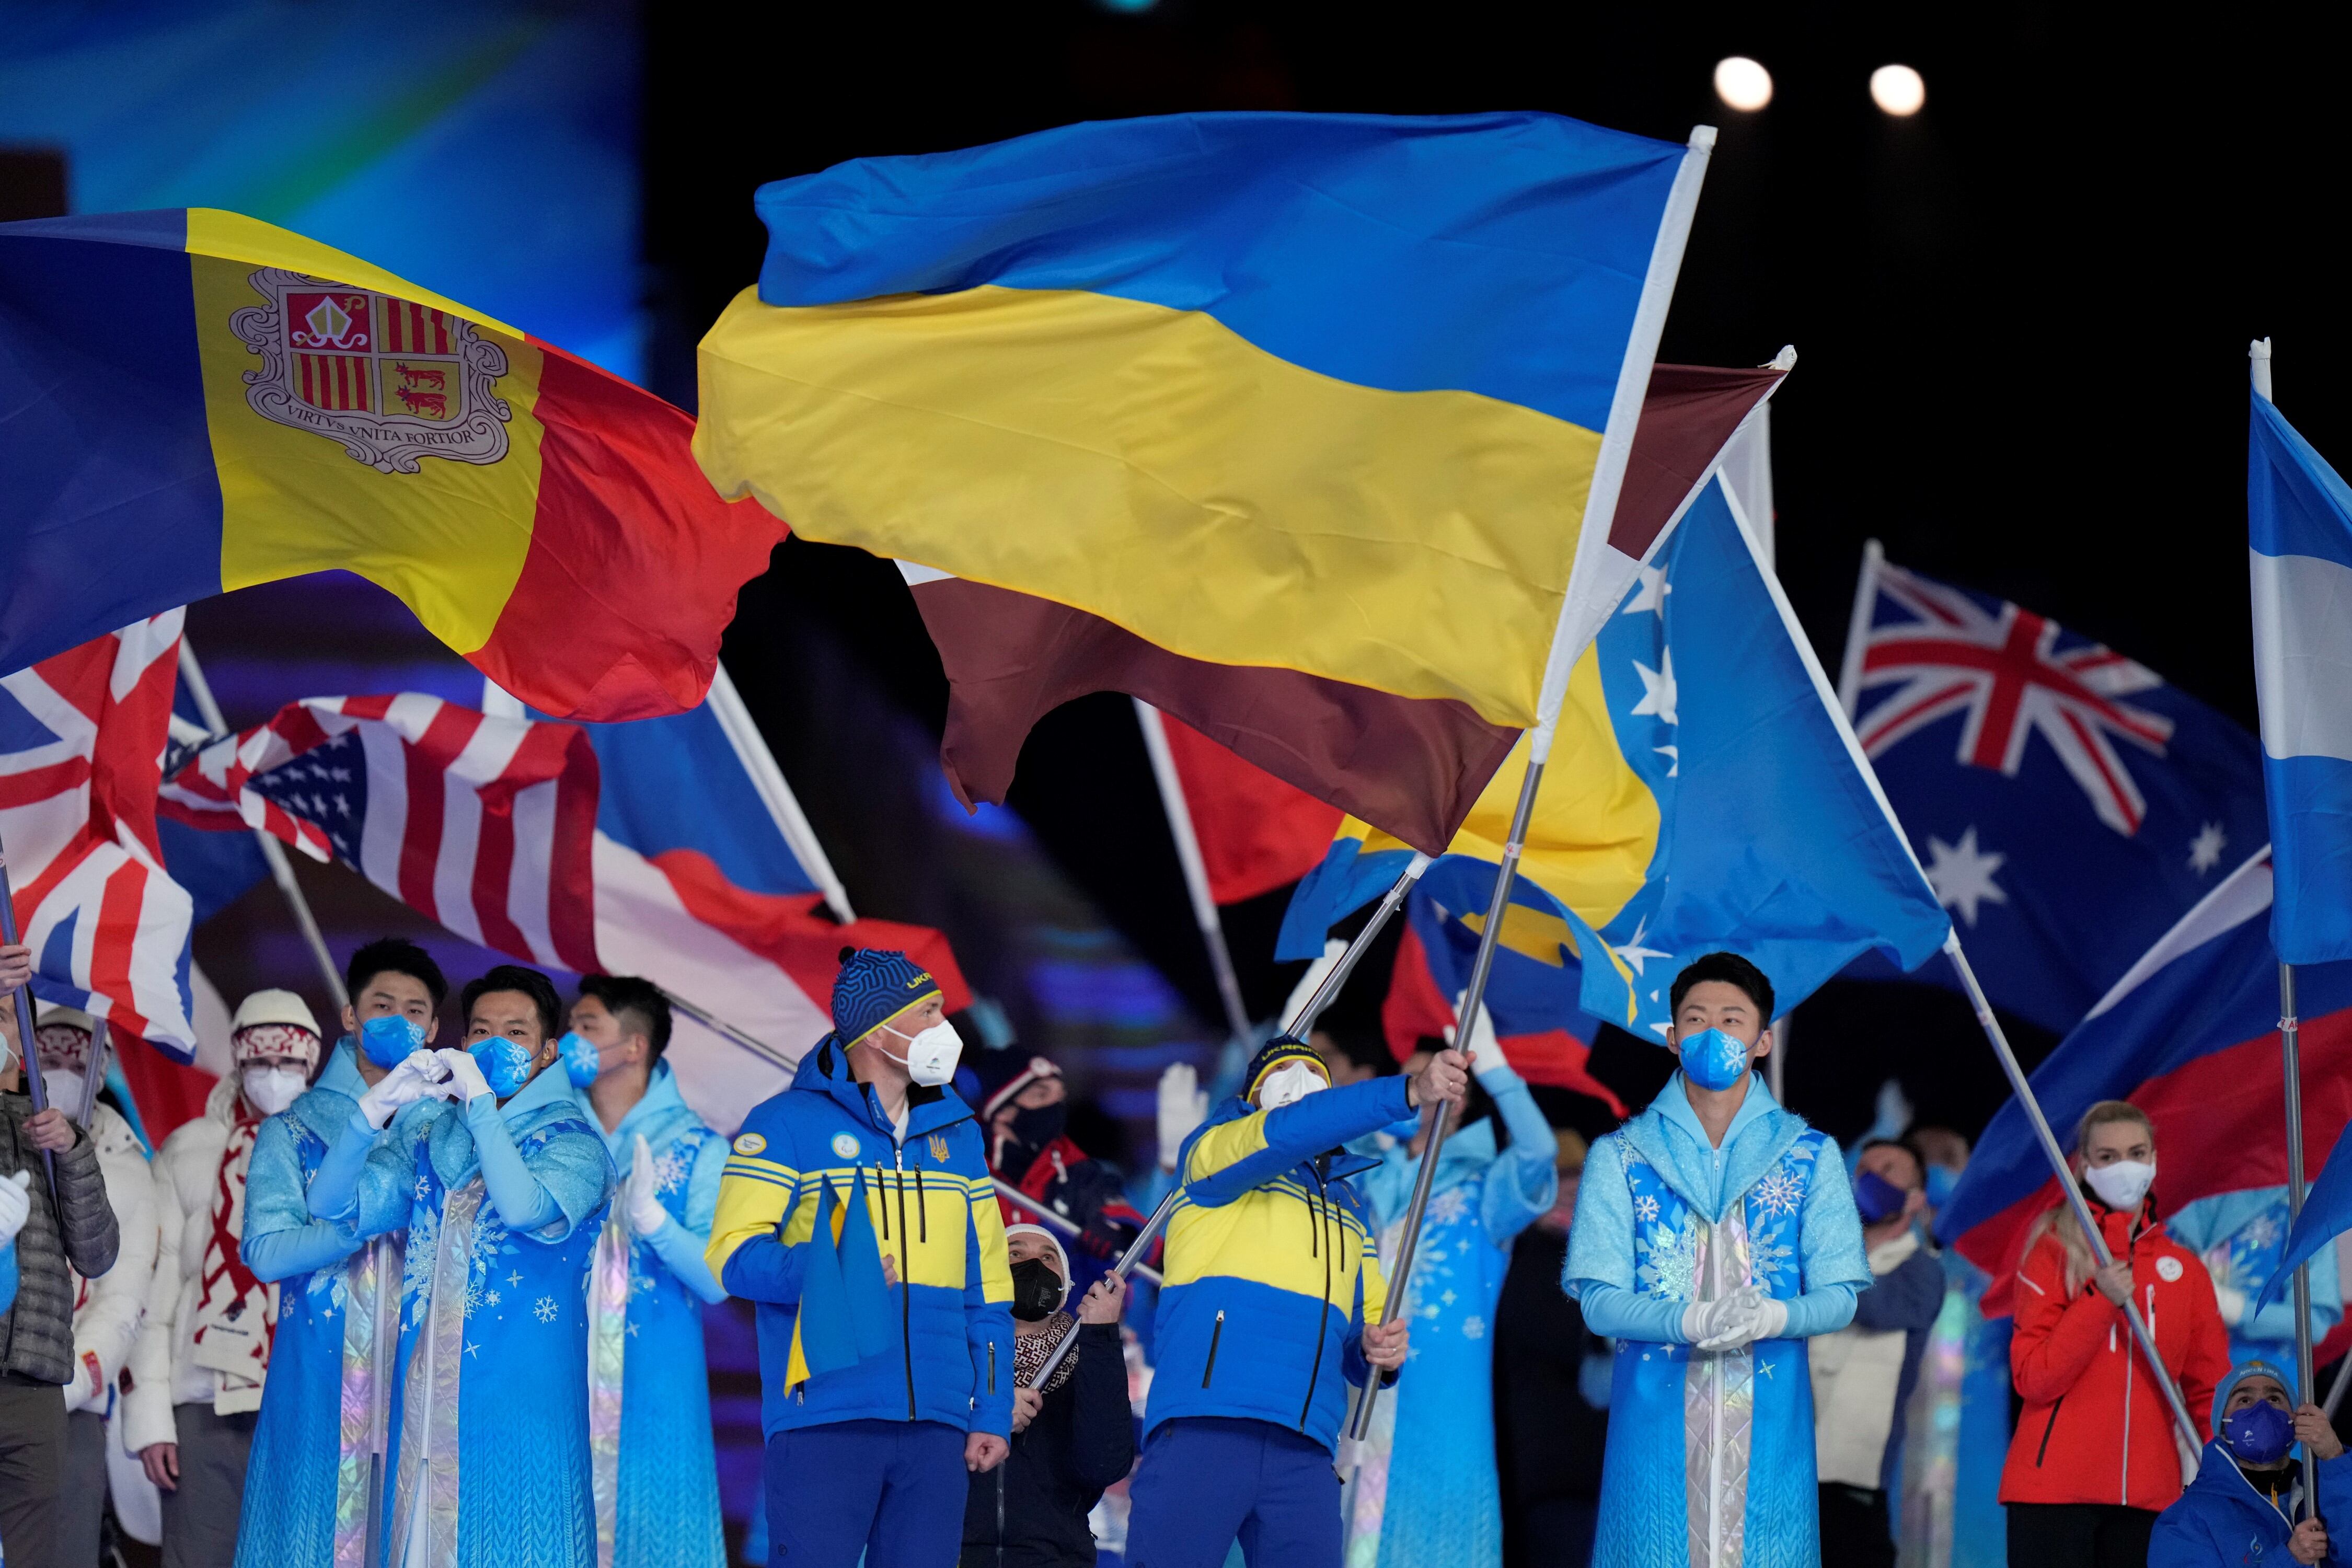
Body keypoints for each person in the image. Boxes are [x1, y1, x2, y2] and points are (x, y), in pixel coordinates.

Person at [706, 947, 1014, 1568]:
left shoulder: (959, 1136)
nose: (943, 1029)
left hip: (938, 1424)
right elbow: (732, 1257)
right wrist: (831, 1271)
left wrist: (993, 1409)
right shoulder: (786, 1123)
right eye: (929, 1011)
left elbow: (989, 1290)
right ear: (880, 1029)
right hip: (825, 1415)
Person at [1564, 951, 1871, 1568]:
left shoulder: (1809, 1155)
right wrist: (1692, 1321)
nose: (1714, 1034)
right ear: (1673, 1039)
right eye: (1697, 1020)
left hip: (1771, 1437)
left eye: (1733, 1020)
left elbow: (1842, 1295)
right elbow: (1597, 1303)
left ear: (1763, 1041)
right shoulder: (1622, 1156)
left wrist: (1773, 1319)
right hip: (1651, 1434)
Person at [307, 961, 615, 1567]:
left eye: (516, 1033)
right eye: (480, 1031)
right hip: (424, 1422)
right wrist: (372, 1111)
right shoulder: (429, 1131)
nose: (494, 1044)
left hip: (523, 1422)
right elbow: (329, 1203)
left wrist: (480, 1107)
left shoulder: (575, 1142)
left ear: (549, 1051)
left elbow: (524, 1208)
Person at [1123, 1032, 1468, 1568]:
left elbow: (1365, 1324)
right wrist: (1411, 1091)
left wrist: (1378, 1348)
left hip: (1305, 1447)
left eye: (1316, 1078)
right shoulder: (1214, 1153)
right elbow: (1288, 1132)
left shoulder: (1349, 1205)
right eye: (1282, 1077)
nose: (1301, 1088)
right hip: (1208, 1423)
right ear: (1251, 1098)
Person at [233, 938, 446, 1568]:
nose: (399, 1021)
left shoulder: (451, 1127)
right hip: (321, 1378)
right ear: (350, 1016)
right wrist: (360, 1225)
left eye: (415, 1011)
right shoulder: (292, 1128)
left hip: (423, 1376)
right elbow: (267, 1253)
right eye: (382, 1004)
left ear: (434, 1029)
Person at [1347, 1006, 1558, 1568]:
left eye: (1444, 1079)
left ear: (1464, 1098)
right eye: (1415, 1081)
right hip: (1354, 1389)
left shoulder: (1485, 1189)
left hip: (1445, 1407)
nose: (1430, 1091)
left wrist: (1494, 1065)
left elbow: (1539, 1151)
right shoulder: (1364, 1178)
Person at [125, 988, 322, 1568]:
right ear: (238, 1060)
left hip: (307, 1398)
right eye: (260, 1061)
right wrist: (152, 1418)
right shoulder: (188, 1151)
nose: (273, 1075)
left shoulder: (337, 1155)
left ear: (312, 1064)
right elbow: (152, 1297)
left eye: (289, 1062)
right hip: (202, 1401)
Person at [1998, 1099, 2231, 1568]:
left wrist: (2230, 1479)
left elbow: (2211, 1392)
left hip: (2149, 1497)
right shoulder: (2052, 1249)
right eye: (2107, 1157)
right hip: (2052, 1495)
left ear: (2154, 1160)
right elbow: (2034, 1378)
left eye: (2136, 1152)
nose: (2124, 1167)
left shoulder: (2183, 1271)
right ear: (2083, 1165)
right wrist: (2099, 1299)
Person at [566, 974, 729, 1568]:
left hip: (656, 1379)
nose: (570, 1040)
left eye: (588, 1027)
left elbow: (716, 1281)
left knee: (656, 1536)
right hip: (551, 1365)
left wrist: (655, 1222)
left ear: (635, 1046)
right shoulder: (548, 1133)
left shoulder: (703, 1149)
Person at [33, 1005, 159, 1568]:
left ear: (100, 1066)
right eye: (49, 1054)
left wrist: (67, 1384)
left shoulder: (130, 1169)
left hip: (72, 1403)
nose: (62, 1067)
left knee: (65, 1548)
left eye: (77, 1058)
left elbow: (123, 1300)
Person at [0, 984, 120, 1568]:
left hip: (35, 1377)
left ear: (23, 1040)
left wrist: (72, 1150)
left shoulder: (51, 1132)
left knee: (33, 1551)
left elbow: (97, 1255)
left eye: (1, 1016)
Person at [961, 1223, 1135, 1567]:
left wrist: (1101, 1336)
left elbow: (1105, 1465)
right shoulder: (950, 1353)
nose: (1033, 1264)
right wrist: (986, 1411)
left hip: (1056, 1557)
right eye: (1015, 1254)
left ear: (1066, 1282)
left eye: (1047, 1256)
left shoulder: (1088, 1355)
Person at [1811, 1137, 1948, 1568]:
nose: (1871, 1178)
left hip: (1855, 1475)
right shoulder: (1817, 1258)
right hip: (1787, 1464)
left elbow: (1875, 1306)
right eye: (1863, 1170)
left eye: (1888, 1169)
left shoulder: (1921, 1271)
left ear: (1915, 1197)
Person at [1494, 1125, 1611, 1568]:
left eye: (1578, 1176)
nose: (1569, 1189)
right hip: (1556, 1482)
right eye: (1557, 1178)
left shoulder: (1589, 1261)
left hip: (1593, 1482)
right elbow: (1582, 1343)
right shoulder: (1529, 1263)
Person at [2152, 1360, 2351, 1567]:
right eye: (2245, 1400)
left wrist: (2334, 1455)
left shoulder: (2323, 1494)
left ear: (2295, 1420)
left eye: (2274, 1398)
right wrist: (2289, 1560)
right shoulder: (2186, 1521)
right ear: (2223, 1427)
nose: (2262, 1409)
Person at [977, 1050, 1144, 1287]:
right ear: (1002, 1110)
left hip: (1066, 1320)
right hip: (981, 1318)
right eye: (1041, 1095)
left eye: (1059, 1097)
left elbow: (1148, 1248)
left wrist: (1124, 1236)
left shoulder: (1082, 1173)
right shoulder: (965, 1166)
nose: (1054, 1107)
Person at [2170, 1188, 2343, 1373]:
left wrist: (2235, 1309)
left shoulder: (2300, 1198)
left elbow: (2313, 1323)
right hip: (2180, 1378)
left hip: (2262, 1383)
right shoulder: (2173, 1195)